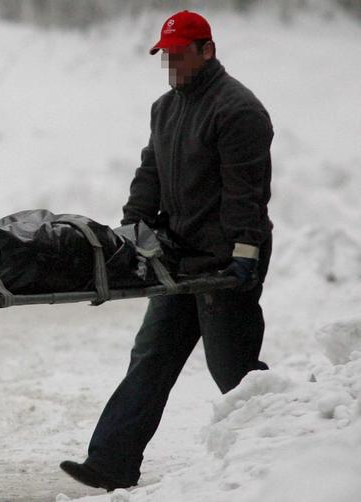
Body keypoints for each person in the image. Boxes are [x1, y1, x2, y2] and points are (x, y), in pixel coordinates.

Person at [60, 10, 273, 491]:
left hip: (224, 262)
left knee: (233, 369)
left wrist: (245, 250)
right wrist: (133, 226)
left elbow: (247, 192)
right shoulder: (166, 108)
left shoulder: (238, 111)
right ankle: (111, 462)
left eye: (180, 55)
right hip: (177, 256)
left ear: (207, 51)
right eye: (166, 56)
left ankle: (281, 443)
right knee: (151, 355)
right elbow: (150, 173)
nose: (172, 64)